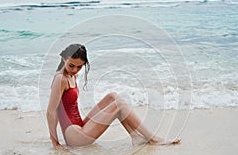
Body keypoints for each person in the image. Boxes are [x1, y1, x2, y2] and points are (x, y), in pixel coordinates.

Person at [46, 44, 180, 149]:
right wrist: (55, 143)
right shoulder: (60, 79)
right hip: (74, 136)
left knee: (113, 96)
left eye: (79, 67)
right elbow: (51, 112)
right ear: (64, 59)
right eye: (71, 65)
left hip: (80, 126)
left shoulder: (71, 75)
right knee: (119, 105)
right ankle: (154, 139)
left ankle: (135, 136)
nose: (75, 70)